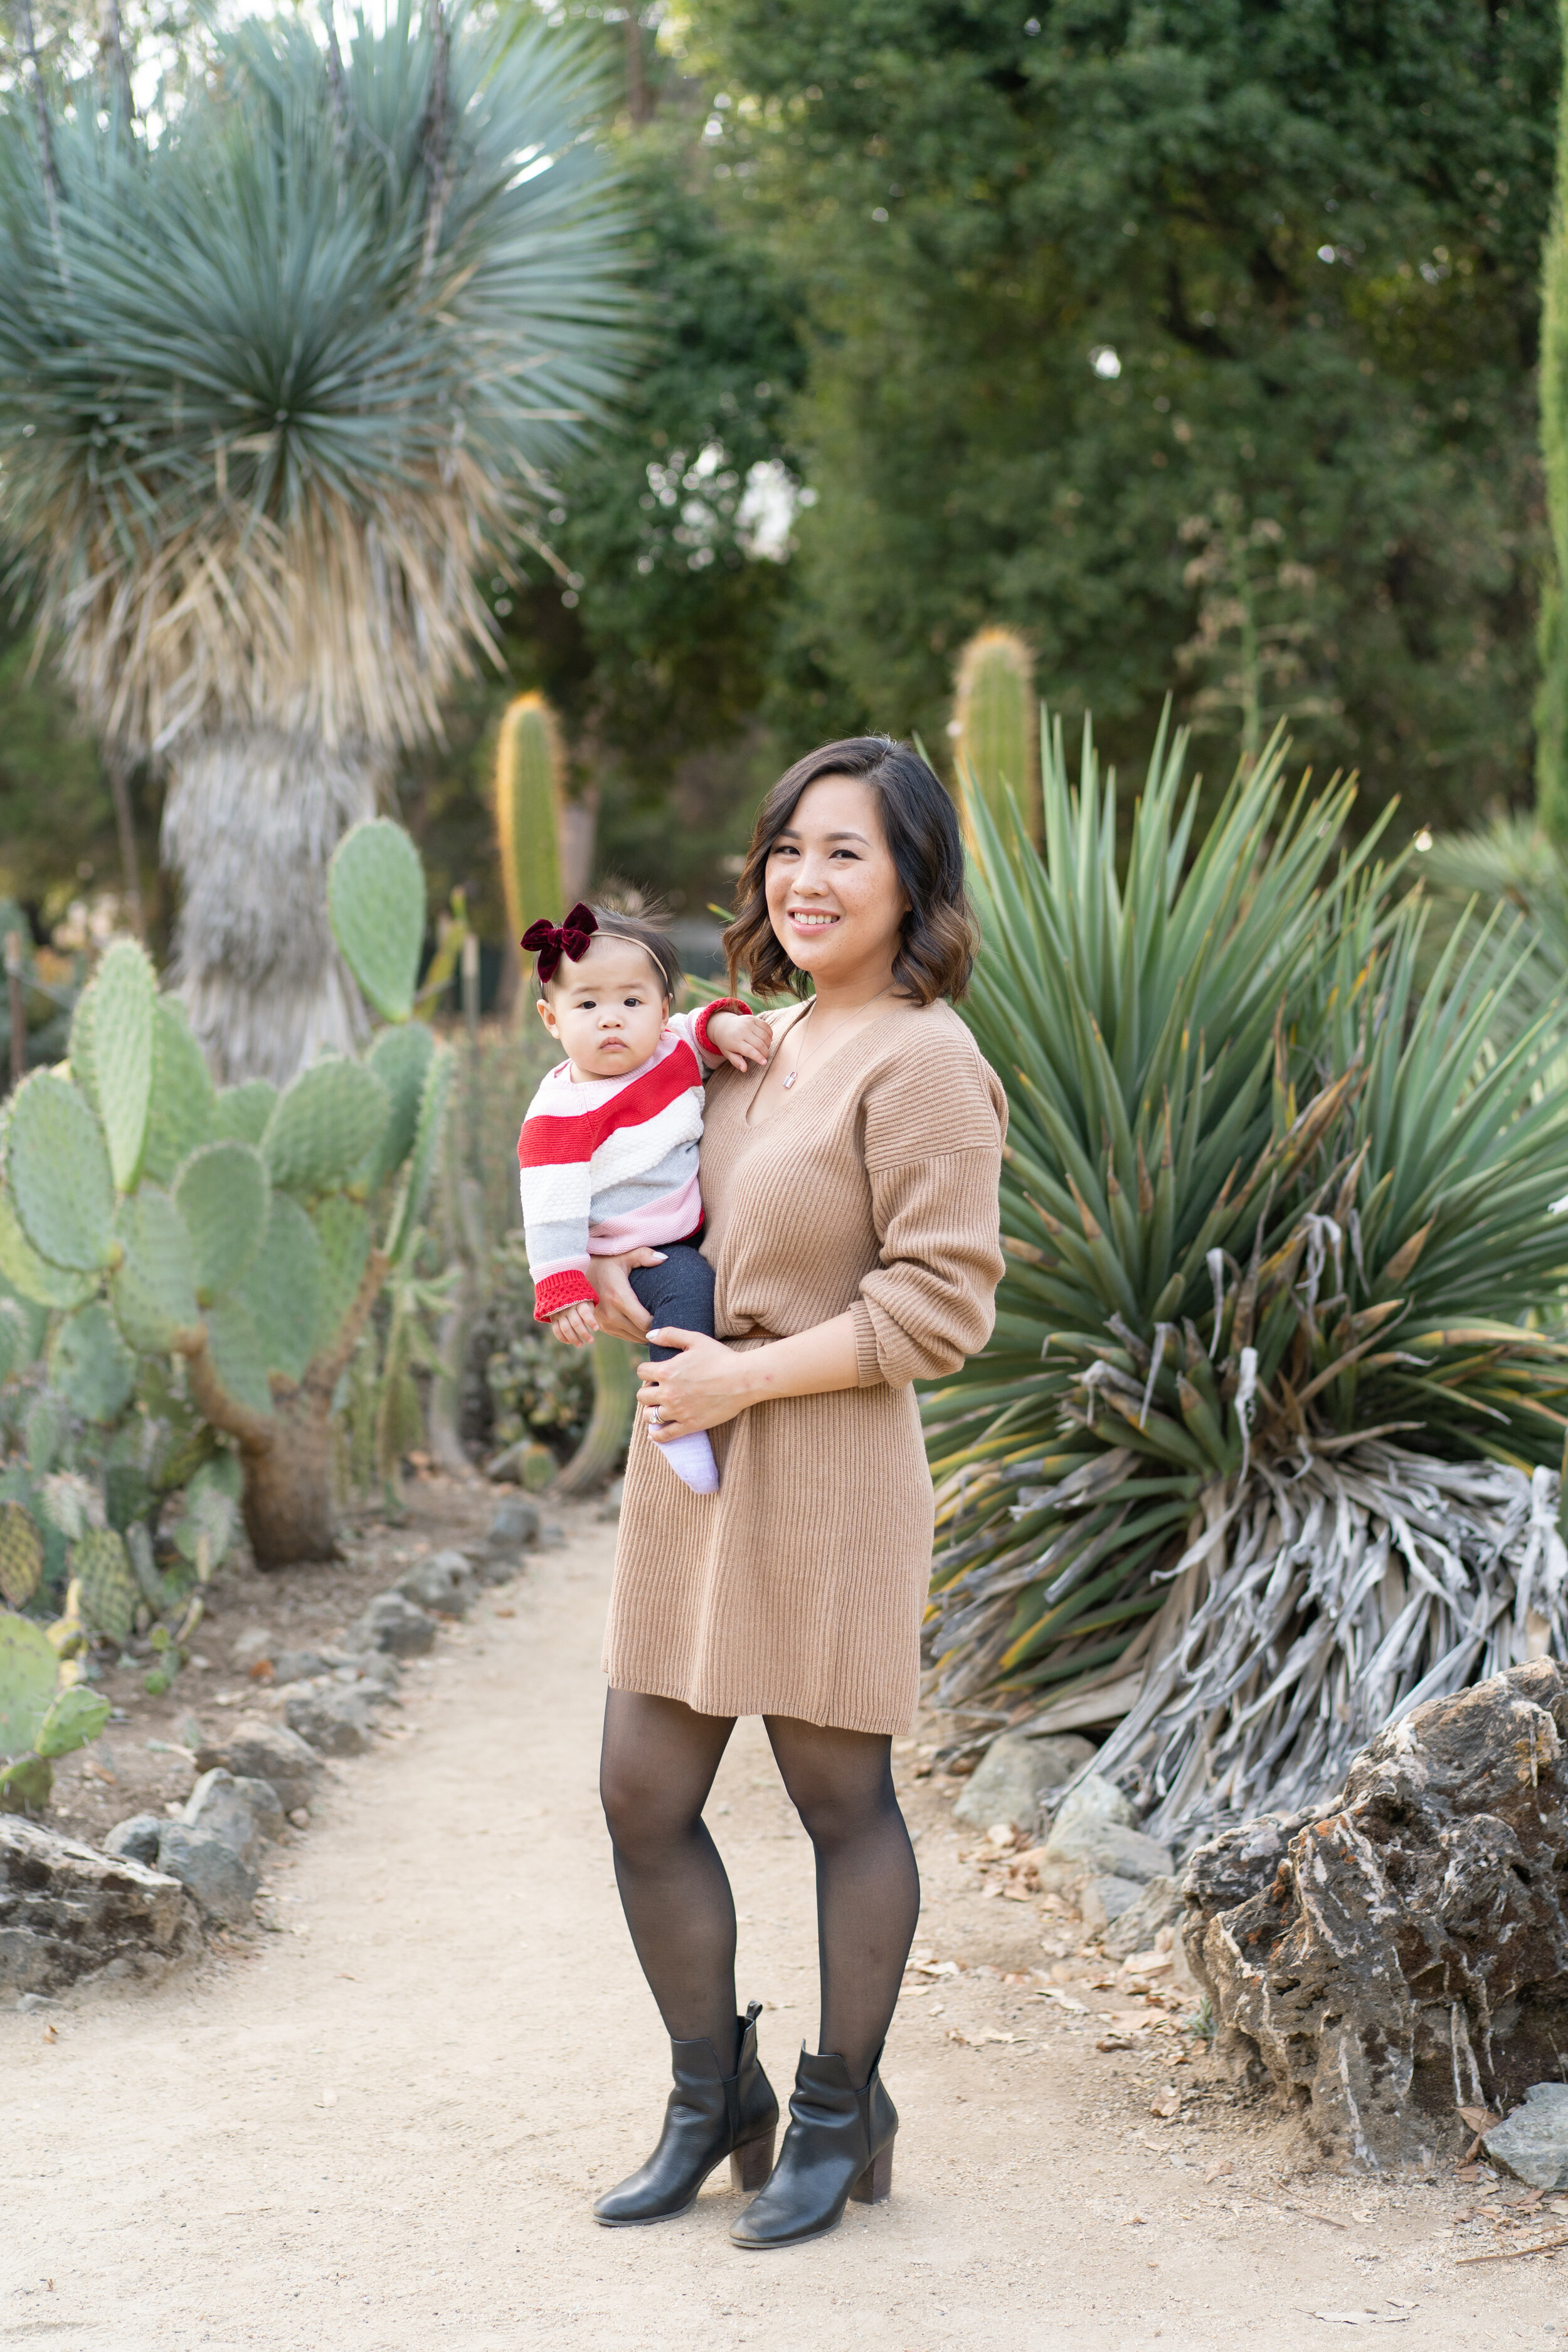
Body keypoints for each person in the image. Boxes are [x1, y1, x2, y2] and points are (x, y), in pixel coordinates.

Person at [583, 736, 1007, 2249]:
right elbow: (655, 1195)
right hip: (692, 1456)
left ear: (911, 881)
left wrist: (747, 1378)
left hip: (821, 1465)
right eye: (790, 848)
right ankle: (718, 2101)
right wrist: (635, 1283)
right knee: (641, 1791)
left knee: (841, 1800)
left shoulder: (927, 1059)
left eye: (848, 851)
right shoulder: (758, 1041)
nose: (807, 878)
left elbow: (944, 1311)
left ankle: (842, 2107)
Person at [516, 902, 773, 1493]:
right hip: (640, 1248)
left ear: (661, 1011)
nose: (611, 1021)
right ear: (551, 1019)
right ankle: (673, 1409)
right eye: (587, 1005)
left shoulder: (670, 1049)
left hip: (688, 1222)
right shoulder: (561, 1113)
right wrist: (562, 1284)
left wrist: (725, 1026)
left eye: (631, 1003)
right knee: (688, 1292)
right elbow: (550, 1210)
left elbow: (701, 1032)